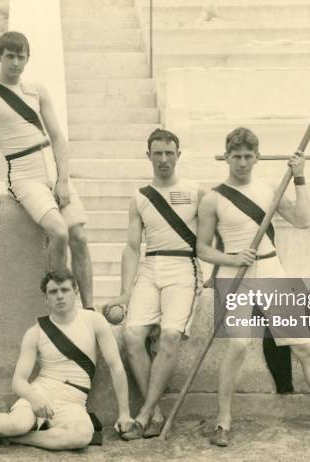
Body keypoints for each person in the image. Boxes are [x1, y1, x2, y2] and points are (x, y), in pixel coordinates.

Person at [196, 127, 310, 446]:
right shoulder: (213, 198)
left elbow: (303, 220)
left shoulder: (269, 191)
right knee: (237, 346)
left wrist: (300, 177)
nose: (242, 163)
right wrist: (233, 260)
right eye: (236, 157)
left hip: (270, 268)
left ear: (257, 157)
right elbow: (202, 249)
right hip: (233, 277)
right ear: (226, 157)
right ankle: (223, 422)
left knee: (305, 347)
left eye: (248, 156)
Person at [0, 269, 133, 450]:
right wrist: (34, 397)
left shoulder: (94, 321)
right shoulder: (35, 333)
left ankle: (5, 438)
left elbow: (116, 367)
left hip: (73, 401)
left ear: (76, 293)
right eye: (53, 292)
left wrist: (124, 413)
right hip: (41, 392)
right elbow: (18, 381)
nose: (60, 296)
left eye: (65, 290)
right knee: (15, 424)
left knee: (82, 437)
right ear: (46, 297)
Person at [0, 31, 93, 309]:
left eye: (20, 57)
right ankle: (59, 304)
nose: (15, 62)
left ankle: (89, 309)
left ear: (27, 58)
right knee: (59, 232)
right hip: (23, 173)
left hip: (51, 166)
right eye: (9, 56)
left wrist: (62, 179)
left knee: (80, 237)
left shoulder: (36, 90)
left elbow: (58, 138)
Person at [102, 129, 204, 440]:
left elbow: (215, 233)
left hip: (183, 266)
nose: (163, 159)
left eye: (169, 153)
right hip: (151, 265)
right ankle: (156, 413)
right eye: (157, 153)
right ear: (148, 156)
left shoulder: (197, 191)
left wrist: (211, 273)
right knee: (133, 336)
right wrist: (125, 290)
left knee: (171, 336)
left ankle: (144, 414)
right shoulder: (140, 197)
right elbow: (133, 247)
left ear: (178, 155)